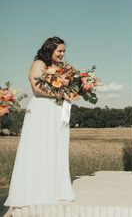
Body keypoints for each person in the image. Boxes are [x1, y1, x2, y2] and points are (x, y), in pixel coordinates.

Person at [5, 37, 77, 208]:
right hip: (42, 110)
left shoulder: (59, 67)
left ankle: (55, 188)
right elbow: (37, 89)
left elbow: (61, 85)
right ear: (49, 49)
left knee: (55, 146)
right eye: (59, 51)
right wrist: (60, 94)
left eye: (63, 51)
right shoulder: (38, 64)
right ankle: (37, 190)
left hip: (55, 110)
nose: (62, 54)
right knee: (41, 146)